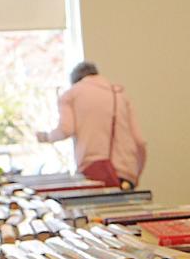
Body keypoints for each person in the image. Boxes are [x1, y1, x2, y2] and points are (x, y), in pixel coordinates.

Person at [36, 62, 146, 190]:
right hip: (126, 173)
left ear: (75, 80)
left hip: (94, 171)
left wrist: (47, 137)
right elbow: (140, 141)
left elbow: (66, 129)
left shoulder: (71, 95)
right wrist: (136, 173)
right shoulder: (119, 94)